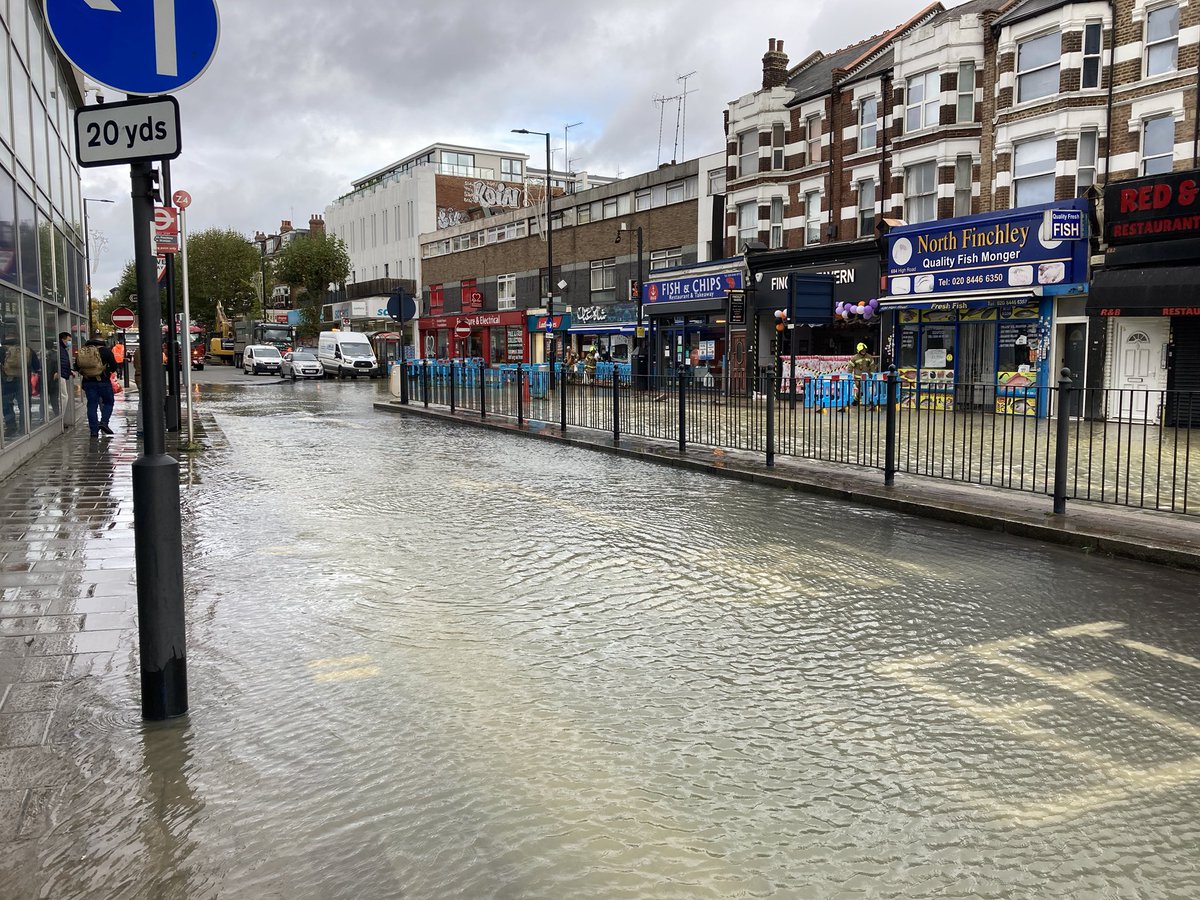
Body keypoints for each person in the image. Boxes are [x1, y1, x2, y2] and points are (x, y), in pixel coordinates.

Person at [75, 334, 117, 437]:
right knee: (108, 402)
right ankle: (104, 422)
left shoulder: (83, 351)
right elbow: (114, 367)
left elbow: (76, 366)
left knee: (92, 405)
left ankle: (94, 431)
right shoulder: (106, 351)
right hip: (103, 382)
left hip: (88, 382)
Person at [57, 332, 73, 421]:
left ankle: (60, 417)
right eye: (69, 340)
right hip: (61, 375)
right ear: (63, 339)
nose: (70, 342)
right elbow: (61, 363)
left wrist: (69, 371)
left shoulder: (62, 349)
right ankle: (60, 418)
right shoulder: (60, 349)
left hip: (62, 373)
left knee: (63, 396)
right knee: (64, 396)